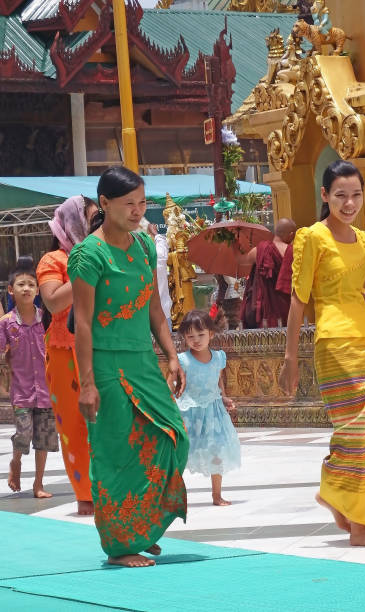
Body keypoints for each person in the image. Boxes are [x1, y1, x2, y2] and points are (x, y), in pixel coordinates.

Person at [279, 160, 365, 547]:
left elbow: (361, 299)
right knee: (358, 432)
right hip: (334, 345)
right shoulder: (312, 237)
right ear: (325, 196)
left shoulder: (364, 239)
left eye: (355, 195)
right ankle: (359, 525)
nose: (349, 203)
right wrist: (290, 359)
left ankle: (336, 491)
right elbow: (299, 302)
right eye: (340, 195)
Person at [68, 166, 189, 568]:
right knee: (117, 451)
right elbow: (82, 322)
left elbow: (154, 306)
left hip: (141, 361)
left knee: (174, 438)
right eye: (128, 204)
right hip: (105, 363)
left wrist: (171, 354)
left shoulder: (143, 247)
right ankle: (120, 545)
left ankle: (142, 523)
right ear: (104, 204)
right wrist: (87, 384)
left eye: (142, 203)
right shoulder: (88, 254)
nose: (138, 211)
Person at [36, 195, 98, 515]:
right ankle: (85, 495)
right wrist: (85, 267)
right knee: (74, 424)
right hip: (64, 351)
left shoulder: (106, 255)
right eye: (89, 221)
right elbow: (54, 302)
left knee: (106, 420)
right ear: (73, 223)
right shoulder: (53, 260)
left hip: (102, 346)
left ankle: (110, 487)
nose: (94, 228)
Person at [0, 256, 58, 498]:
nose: (27, 288)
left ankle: (38, 484)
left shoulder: (46, 318)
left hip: (46, 391)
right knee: (23, 433)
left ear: (38, 290)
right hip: (21, 392)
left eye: (31, 284)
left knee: (43, 440)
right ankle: (16, 462)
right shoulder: (5, 323)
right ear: (11, 290)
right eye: (21, 284)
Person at [177, 310, 241, 506]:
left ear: (211, 334)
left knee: (217, 450)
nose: (196, 340)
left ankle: (217, 494)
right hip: (189, 412)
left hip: (213, 412)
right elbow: (176, 386)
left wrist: (223, 398)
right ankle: (175, 494)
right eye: (190, 336)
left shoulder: (219, 357)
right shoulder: (182, 360)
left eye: (201, 334)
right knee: (182, 453)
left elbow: (218, 381)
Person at [238, 218, 296, 329]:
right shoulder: (293, 252)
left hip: (263, 309)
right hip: (285, 307)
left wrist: (234, 245)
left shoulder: (260, 250)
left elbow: (241, 260)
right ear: (291, 234)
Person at [147, 223, 173, 331]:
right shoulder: (158, 262)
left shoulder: (131, 267)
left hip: (143, 318)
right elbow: (162, 249)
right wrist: (155, 233)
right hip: (162, 315)